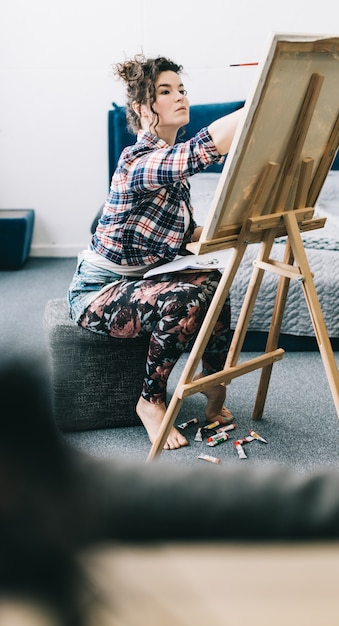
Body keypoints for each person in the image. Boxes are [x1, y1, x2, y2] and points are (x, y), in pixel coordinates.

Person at [68, 54, 243, 450]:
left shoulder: (173, 175)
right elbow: (206, 147)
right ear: (142, 109)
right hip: (97, 293)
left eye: (181, 89)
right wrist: (268, 97)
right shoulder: (139, 162)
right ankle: (150, 401)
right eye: (165, 91)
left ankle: (214, 384)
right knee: (184, 296)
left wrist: (234, 225)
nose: (179, 96)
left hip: (139, 281)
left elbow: (181, 236)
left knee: (216, 281)